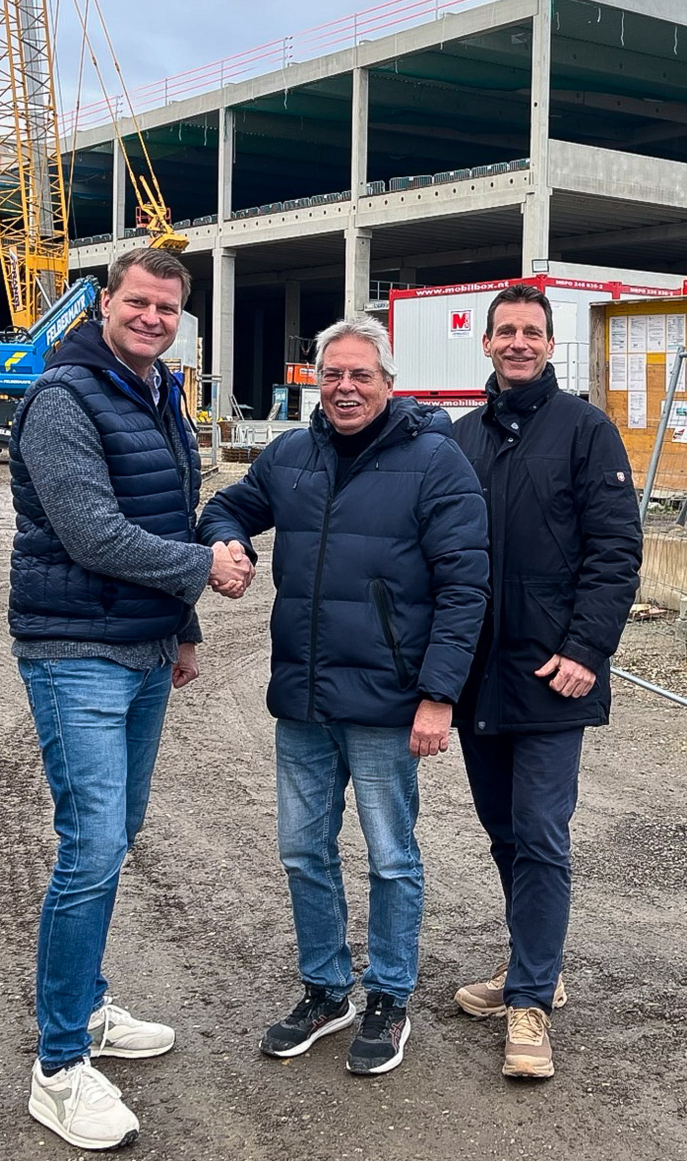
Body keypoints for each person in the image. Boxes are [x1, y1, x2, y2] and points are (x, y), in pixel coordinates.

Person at [8, 247, 254, 1151]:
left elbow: (160, 513)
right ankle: (60, 1063)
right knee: (93, 845)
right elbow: (91, 531)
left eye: (167, 308)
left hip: (142, 645)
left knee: (118, 837)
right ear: (102, 303)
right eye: (138, 303)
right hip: (77, 650)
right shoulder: (64, 399)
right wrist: (204, 566)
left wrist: (181, 626)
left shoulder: (158, 395)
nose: (153, 318)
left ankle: (89, 1004)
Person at [200, 316, 488, 1076]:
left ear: (389, 384)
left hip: (390, 705)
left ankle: (390, 996)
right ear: (316, 381)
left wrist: (438, 697)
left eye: (361, 375)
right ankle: (327, 991)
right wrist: (227, 543)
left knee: (391, 857)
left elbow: (465, 588)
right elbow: (227, 505)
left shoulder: (436, 463)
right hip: (302, 700)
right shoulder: (292, 455)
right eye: (333, 375)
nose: (345, 388)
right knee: (302, 851)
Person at [448, 284, 642, 1081]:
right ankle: (536, 962)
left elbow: (616, 551)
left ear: (549, 342)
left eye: (532, 331)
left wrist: (587, 650)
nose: (518, 342)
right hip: (477, 677)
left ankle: (529, 1003)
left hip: (554, 677)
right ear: (487, 343)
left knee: (542, 833)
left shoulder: (587, 432)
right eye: (506, 331)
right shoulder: (460, 439)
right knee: (503, 831)